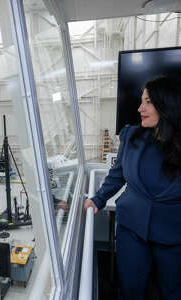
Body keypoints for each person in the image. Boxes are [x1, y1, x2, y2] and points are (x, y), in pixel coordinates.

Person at [84, 76, 181, 300]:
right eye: (140, 101)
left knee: (172, 290)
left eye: (147, 102)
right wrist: (97, 199)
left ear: (166, 105)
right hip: (131, 229)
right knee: (130, 288)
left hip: (173, 234)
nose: (140, 108)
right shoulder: (130, 136)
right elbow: (117, 175)